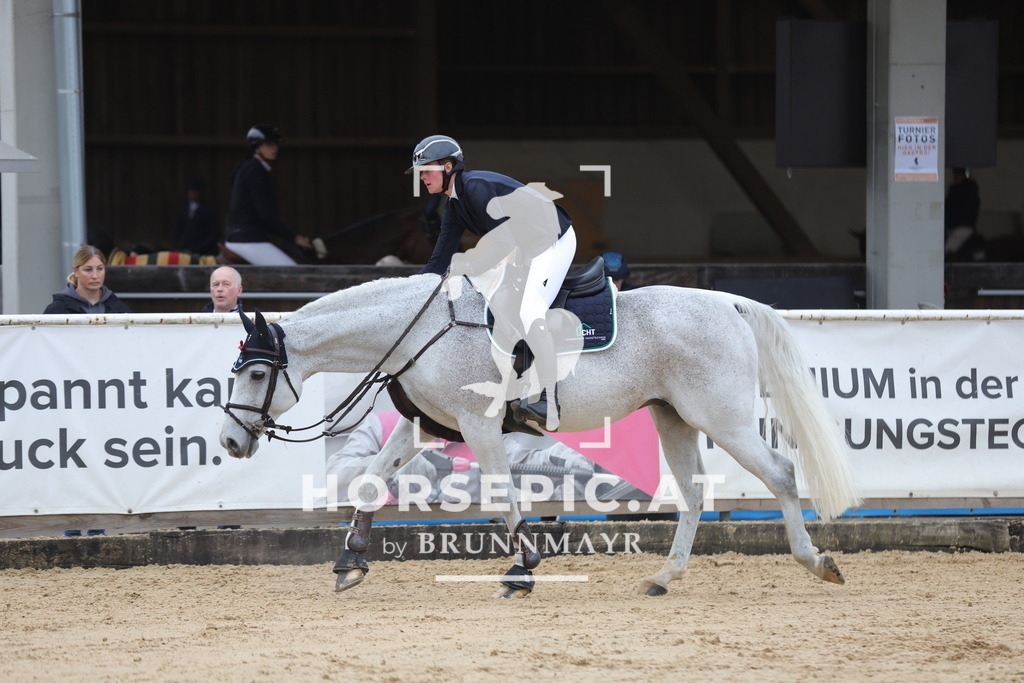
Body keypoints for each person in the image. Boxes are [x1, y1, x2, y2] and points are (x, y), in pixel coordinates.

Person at [408, 134, 577, 431]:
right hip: (527, 248)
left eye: (426, 170)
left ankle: (549, 399)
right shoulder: (455, 206)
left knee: (529, 310)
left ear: (448, 167)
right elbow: (438, 261)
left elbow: (504, 242)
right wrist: (410, 293)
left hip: (553, 239)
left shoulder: (475, 187)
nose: (422, 177)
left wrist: (469, 267)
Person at [224, 124, 312, 265]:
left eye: (276, 144)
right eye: (269, 144)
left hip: (244, 236)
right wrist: (294, 237)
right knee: (291, 272)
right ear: (257, 146)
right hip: (247, 238)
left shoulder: (250, 167)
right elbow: (266, 214)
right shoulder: (255, 171)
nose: (275, 148)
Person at [44, 245, 132, 314]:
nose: (95, 276)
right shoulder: (57, 310)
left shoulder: (119, 308)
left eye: (100, 269)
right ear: (75, 271)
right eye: (88, 269)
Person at [944, 167, 984, 261]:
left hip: (963, 227)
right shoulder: (955, 190)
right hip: (952, 226)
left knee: (948, 250)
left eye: (958, 175)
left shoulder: (967, 192)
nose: (955, 178)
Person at [173, 177, 219, 256]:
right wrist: (177, 246)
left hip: (203, 250)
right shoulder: (184, 207)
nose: (192, 194)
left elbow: (213, 233)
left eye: (195, 192)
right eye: (190, 192)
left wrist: (199, 248)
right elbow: (178, 228)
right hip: (185, 248)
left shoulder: (207, 209)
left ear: (200, 193)